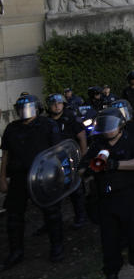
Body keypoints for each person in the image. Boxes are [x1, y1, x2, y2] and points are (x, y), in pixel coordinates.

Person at [83, 106, 134, 279]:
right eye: (104, 126)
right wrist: (90, 168)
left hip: (130, 197)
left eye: (110, 125)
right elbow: (83, 167)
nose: (107, 129)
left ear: (121, 125)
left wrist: (116, 164)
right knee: (109, 241)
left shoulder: (132, 140)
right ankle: (112, 278)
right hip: (106, 200)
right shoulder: (97, 144)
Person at [0, 95, 64, 271]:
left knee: (52, 212)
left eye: (27, 107)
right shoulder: (12, 128)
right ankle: (16, 252)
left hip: (44, 175)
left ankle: (57, 247)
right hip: (19, 177)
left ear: (36, 108)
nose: (24, 111)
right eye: (20, 108)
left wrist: (59, 176)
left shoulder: (48, 125)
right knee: (13, 216)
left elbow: (57, 152)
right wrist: (2, 177)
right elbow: (5, 154)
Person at [47, 93, 89, 228]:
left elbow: (82, 137)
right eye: (53, 104)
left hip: (72, 158)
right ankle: (52, 222)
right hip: (54, 162)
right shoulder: (46, 121)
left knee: (76, 190)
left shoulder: (70, 117)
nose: (57, 106)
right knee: (54, 193)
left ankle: (81, 216)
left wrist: (83, 158)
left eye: (59, 103)